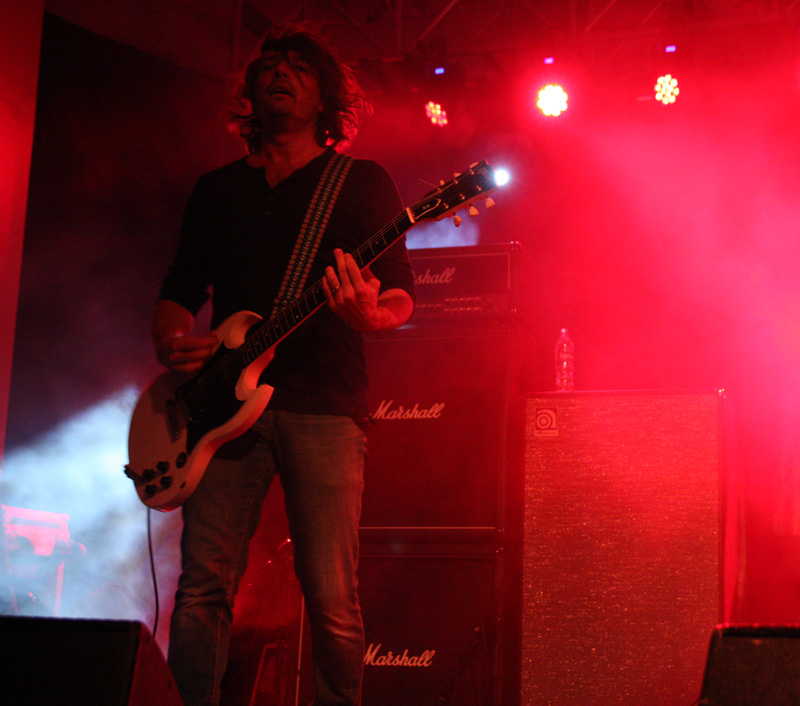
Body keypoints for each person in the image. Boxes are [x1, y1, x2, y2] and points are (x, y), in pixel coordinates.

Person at [152, 24, 415, 706]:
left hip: (323, 403)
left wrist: (369, 314)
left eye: (298, 67)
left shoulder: (361, 182)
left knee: (330, 594)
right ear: (250, 91)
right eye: (269, 64)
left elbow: (400, 294)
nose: (280, 73)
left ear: (325, 96)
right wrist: (173, 338)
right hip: (221, 412)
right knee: (202, 586)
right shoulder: (216, 190)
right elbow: (179, 291)